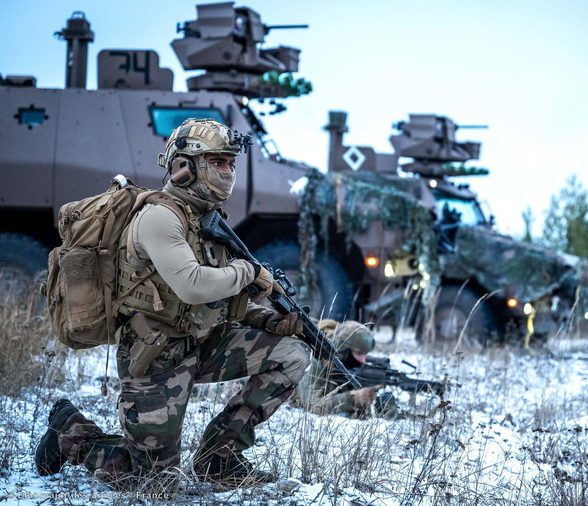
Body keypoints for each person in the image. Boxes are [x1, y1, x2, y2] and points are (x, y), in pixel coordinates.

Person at [34, 118, 311, 491]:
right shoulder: (160, 217)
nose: (228, 170)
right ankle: (71, 433)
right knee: (154, 481)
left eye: (231, 162)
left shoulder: (206, 219)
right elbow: (192, 285)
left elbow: (216, 297)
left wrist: (264, 319)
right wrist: (248, 272)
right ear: (184, 166)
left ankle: (219, 459)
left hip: (201, 340)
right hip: (156, 354)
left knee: (291, 354)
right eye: (217, 161)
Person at [291, 319, 401, 419]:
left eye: (365, 354)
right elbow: (312, 405)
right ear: (343, 350)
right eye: (359, 353)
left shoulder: (348, 363)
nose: (363, 360)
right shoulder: (315, 357)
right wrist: (353, 398)